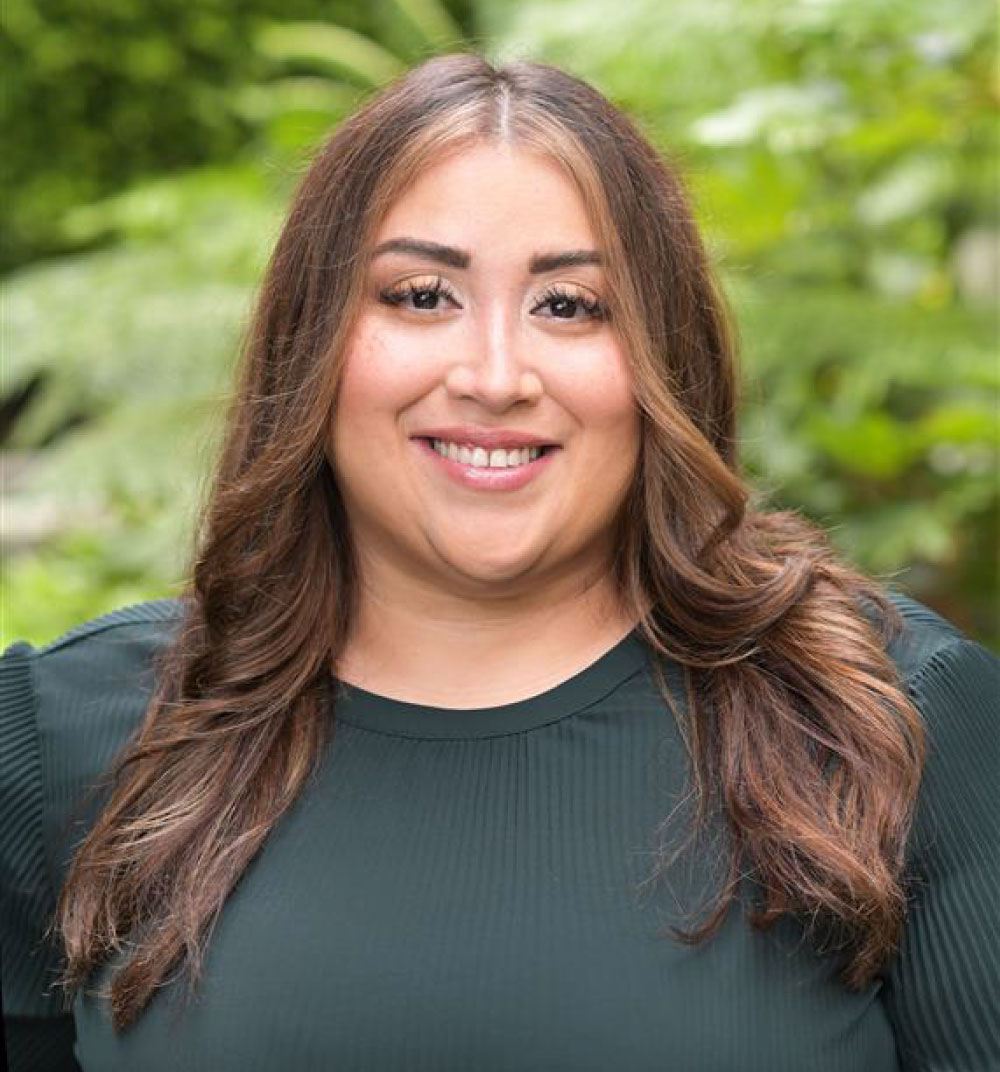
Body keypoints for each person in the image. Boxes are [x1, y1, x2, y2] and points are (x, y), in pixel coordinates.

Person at [1, 52, 997, 1072]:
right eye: (420, 295)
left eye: (568, 305)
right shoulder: (65, 737)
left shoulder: (884, 718)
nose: (494, 376)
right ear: (312, 339)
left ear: (666, 356)